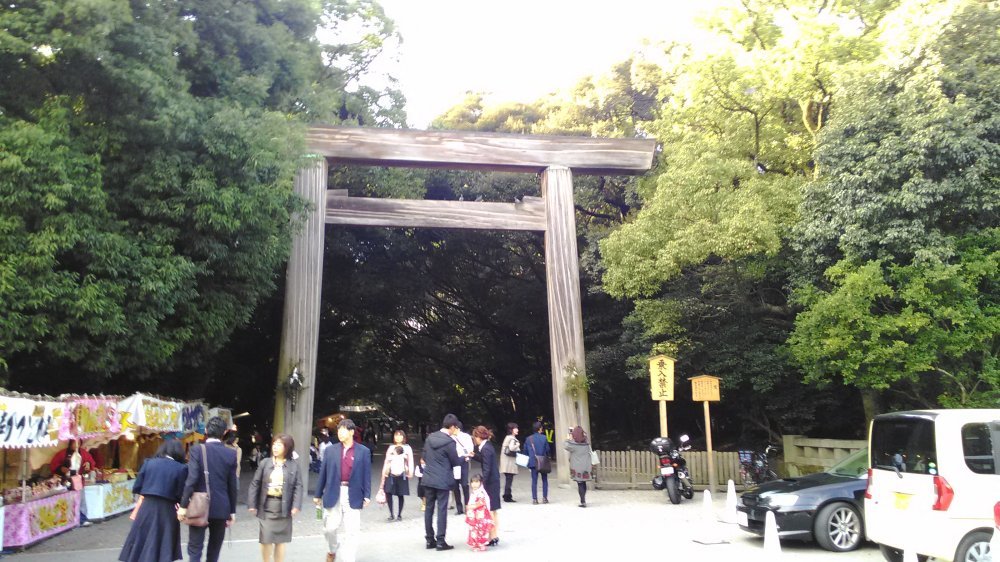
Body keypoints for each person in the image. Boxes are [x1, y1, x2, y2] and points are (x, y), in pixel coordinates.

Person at [178, 416, 239, 562]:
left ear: (206, 430)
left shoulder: (197, 450)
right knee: (214, 549)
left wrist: (183, 506)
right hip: (221, 507)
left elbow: (192, 479)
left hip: (199, 506)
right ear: (224, 432)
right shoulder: (231, 454)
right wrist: (232, 511)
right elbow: (232, 485)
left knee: (195, 548)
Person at [118, 439, 188, 562]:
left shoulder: (148, 463)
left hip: (146, 506)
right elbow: (180, 493)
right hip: (167, 508)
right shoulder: (181, 468)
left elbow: (137, 487)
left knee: (143, 539)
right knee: (163, 541)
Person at [314, 418, 372, 562]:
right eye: (339, 430)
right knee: (329, 528)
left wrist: (367, 494)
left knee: (352, 530)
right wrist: (318, 494)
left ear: (351, 432)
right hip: (333, 491)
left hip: (353, 493)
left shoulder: (363, 451)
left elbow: (366, 474)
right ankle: (332, 548)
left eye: (343, 430)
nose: (340, 433)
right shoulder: (330, 450)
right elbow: (323, 473)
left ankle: (348, 558)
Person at [247, 434, 303, 562]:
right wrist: (252, 503)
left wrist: (296, 505)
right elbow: (255, 483)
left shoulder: (293, 465)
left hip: (283, 507)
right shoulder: (265, 463)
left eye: (279, 445)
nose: (275, 447)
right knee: (265, 539)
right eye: (274, 444)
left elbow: (298, 486)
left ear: (287, 447)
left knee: (280, 540)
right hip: (267, 506)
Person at [422, 413, 462, 551]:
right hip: (443, 480)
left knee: (428, 509)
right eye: (455, 427)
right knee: (442, 510)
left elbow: (424, 456)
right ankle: (440, 541)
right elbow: (455, 461)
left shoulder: (430, 438)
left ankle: (429, 540)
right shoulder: (450, 442)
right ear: (452, 427)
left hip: (428, 478)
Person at [470, 425, 501, 547]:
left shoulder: (485, 448)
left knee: (491, 509)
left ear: (478, 437)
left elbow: (487, 468)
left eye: (474, 437)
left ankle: (492, 536)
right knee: (493, 509)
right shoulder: (486, 446)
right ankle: (493, 535)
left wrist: (482, 483)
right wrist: (474, 455)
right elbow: (485, 460)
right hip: (494, 480)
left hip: (490, 482)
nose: (474, 439)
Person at [379, 430, 413, 521]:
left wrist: (410, 472)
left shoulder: (407, 448)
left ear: (403, 437)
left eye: (400, 435)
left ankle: (399, 514)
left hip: (402, 474)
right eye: (396, 435)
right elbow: (386, 462)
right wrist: (384, 473)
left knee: (400, 494)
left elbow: (410, 461)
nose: (398, 437)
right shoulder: (391, 447)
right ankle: (391, 514)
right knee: (388, 493)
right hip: (390, 473)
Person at [564, 426, 595, 507]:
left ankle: (583, 501)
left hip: (577, 467)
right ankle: (583, 499)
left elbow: (565, 445)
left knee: (580, 484)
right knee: (583, 482)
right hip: (586, 466)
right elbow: (585, 439)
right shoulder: (586, 444)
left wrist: (568, 438)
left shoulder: (573, 445)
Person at [464, 474, 493, 552]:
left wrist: (471, 506)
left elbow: (481, 503)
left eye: (477, 482)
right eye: (472, 482)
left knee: (481, 530)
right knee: (474, 530)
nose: (474, 484)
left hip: (480, 516)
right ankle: (475, 544)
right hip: (474, 516)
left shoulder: (481, 492)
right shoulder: (474, 492)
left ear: (481, 483)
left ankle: (481, 544)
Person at [525, 421, 550, 504]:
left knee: (534, 481)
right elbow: (547, 449)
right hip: (542, 461)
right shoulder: (544, 438)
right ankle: (545, 498)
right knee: (544, 480)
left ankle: (535, 499)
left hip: (533, 462)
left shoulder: (528, 439)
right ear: (540, 429)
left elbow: (525, 451)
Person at [451, 421, 474, 514]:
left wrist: (465, 455)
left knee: (464, 484)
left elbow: (470, 448)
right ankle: (459, 508)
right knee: (455, 486)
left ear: (457, 428)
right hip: (454, 462)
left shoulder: (466, 436)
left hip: (464, 461)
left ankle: (467, 507)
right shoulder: (450, 437)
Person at [499, 423, 520, 503]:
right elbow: (511, 448)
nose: (517, 430)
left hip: (506, 462)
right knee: (509, 479)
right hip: (509, 463)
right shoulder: (511, 438)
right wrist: (518, 445)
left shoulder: (508, 437)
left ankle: (507, 495)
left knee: (508, 479)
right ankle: (507, 496)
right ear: (511, 430)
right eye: (515, 428)